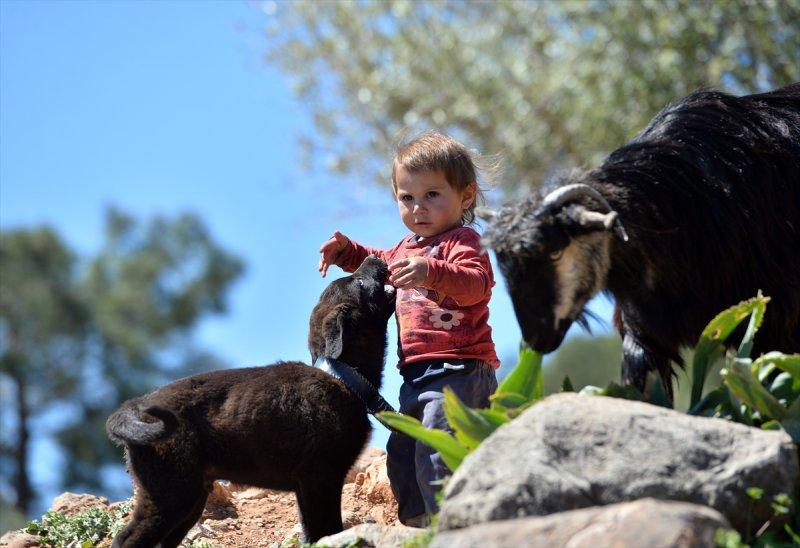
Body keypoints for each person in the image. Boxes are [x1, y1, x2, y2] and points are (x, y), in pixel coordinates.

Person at [318, 131, 500, 527]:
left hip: (461, 371)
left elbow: (475, 285)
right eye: (407, 198)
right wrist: (346, 251)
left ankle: (454, 525)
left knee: (440, 449)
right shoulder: (405, 248)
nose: (419, 207)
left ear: (465, 196)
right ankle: (417, 527)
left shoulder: (464, 241)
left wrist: (432, 271)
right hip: (416, 375)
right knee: (404, 452)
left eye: (433, 194)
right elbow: (375, 259)